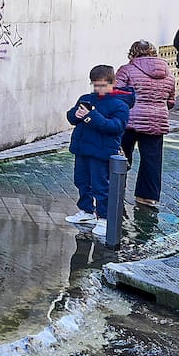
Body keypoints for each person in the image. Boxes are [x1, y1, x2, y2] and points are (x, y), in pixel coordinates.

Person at [66, 65, 135, 239]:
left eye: (102, 85)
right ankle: (86, 211)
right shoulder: (86, 98)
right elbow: (72, 117)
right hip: (82, 149)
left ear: (113, 83)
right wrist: (76, 114)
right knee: (82, 182)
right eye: (95, 85)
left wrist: (91, 116)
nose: (98, 89)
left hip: (102, 151)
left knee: (101, 186)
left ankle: (104, 218)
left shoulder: (120, 104)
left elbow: (116, 127)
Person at [116, 40, 176, 208]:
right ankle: (147, 197)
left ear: (132, 53)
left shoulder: (126, 70)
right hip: (157, 122)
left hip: (128, 121)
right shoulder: (168, 74)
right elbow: (171, 101)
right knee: (152, 160)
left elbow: (117, 94)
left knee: (121, 156)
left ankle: (116, 189)